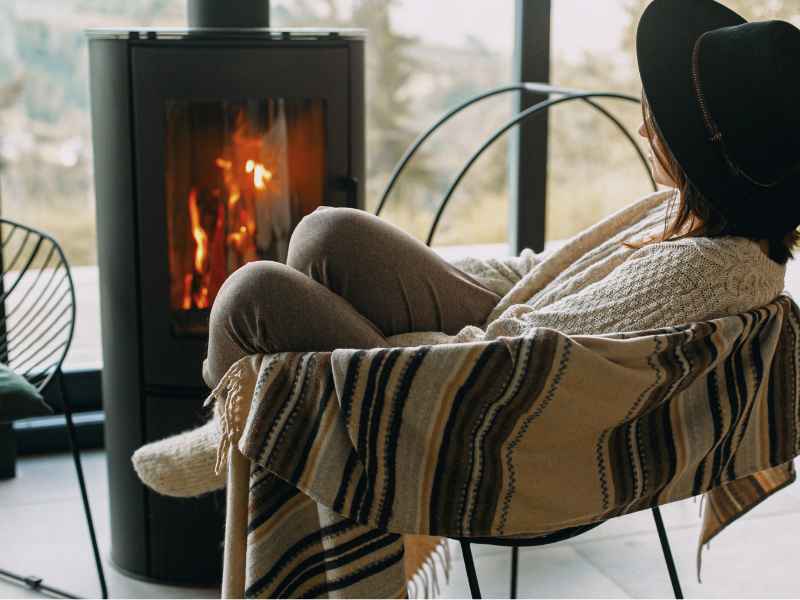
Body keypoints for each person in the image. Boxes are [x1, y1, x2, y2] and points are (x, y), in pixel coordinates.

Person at [138, 0, 800, 521]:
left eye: (663, 122)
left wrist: (353, 355)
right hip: (509, 344)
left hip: (484, 418)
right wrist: (427, 278)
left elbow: (510, 361)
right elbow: (540, 276)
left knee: (253, 296)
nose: (646, 128)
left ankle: (239, 422)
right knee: (326, 235)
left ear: (697, 154)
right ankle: (251, 410)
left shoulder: (700, 273)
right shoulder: (689, 215)